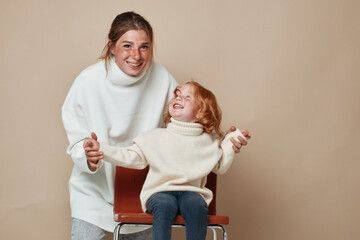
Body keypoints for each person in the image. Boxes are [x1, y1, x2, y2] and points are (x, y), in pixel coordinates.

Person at [62, 11, 247, 240]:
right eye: (127, 46)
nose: (136, 56)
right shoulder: (87, 81)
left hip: (145, 191)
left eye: (144, 47)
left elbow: (190, 124)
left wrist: (223, 141)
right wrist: (88, 154)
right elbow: (78, 139)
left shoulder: (162, 79)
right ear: (112, 47)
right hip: (93, 188)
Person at [83, 81, 250, 240]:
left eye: (187, 97)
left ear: (201, 112)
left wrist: (229, 142)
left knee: (196, 206)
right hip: (159, 192)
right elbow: (131, 157)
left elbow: (220, 166)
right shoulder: (155, 137)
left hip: (192, 193)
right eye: (176, 94)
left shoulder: (208, 142)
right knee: (164, 205)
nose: (178, 98)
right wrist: (101, 149)